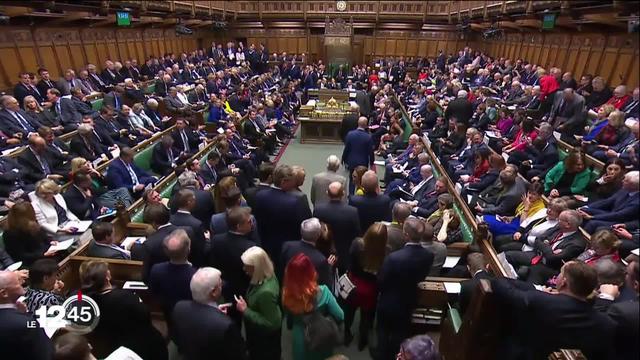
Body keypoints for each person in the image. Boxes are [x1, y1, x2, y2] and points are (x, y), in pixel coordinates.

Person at [491, 261, 615, 360]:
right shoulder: (604, 323)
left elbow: (500, 284)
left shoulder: (541, 301)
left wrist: (537, 290)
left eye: (560, 274)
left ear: (563, 282)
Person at [79, 260, 167, 359]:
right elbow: (145, 316)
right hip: (141, 346)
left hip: (112, 346)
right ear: (107, 276)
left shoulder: (86, 303)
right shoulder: (126, 297)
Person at [376, 218, 434, 360]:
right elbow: (422, 276)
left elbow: (381, 281)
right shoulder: (428, 256)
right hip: (409, 298)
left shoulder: (393, 258)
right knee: (400, 331)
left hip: (388, 300)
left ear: (405, 234)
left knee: (383, 331)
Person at [172, 267, 248, 360]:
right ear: (214, 292)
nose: (222, 285)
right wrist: (219, 317)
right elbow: (238, 355)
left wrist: (216, 314)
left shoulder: (179, 307)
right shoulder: (226, 325)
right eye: (220, 284)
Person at [282, 253, 344, 360]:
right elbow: (340, 315)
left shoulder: (286, 296)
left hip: (300, 337)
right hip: (320, 336)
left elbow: (288, 316)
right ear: (311, 272)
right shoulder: (324, 292)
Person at [344, 222, 388, 350]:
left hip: (354, 285)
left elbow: (351, 264)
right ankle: (362, 341)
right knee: (366, 317)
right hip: (371, 290)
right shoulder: (386, 252)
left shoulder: (357, 244)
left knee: (349, 311)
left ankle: (346, 333)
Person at [254, 164, 312, 260]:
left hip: (265, 244)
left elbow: (259, 220)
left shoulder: (260, 195)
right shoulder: (294, 202)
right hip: (287, 248)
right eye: (292, 181)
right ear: (284, 181)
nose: (294, 184)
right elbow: (302, 225)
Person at [235, 246, 283, 360]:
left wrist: (245, 310)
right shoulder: (267, 274)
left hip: (264, 342)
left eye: (248, 267)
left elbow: (272, 323)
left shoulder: (266, 292)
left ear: (257, 267)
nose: (244, 269)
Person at [0, 270, 53, 360]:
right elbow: (47, 354)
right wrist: (27, 315)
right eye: (17, 281)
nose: (23, 282)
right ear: (4, 293)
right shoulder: (26, 323)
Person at [148, 229, 196, 323]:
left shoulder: (156, 269)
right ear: (189, 249)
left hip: (168, 310)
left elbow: (153, 292)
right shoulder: (196, 275)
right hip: (190, 314)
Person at [595, 260, 639, 360]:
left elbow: (596, 329)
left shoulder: (623, 309)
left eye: (627, 273)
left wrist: (605, 298)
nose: (624, 274)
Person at [280, 218, 333, 287]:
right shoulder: (321, 260)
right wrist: (328, 267)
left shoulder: (287, 246)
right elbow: (325, 286)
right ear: (318, 235)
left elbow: (282, 271)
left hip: (289, 289)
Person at [2, 201, 56, 266]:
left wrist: (50, 241)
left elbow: (44, 236)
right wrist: (43, 254)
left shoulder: (32, 223)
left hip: (44, 252)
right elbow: (20, 256)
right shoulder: (10, 233)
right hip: (31, 261)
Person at [169, 188, 207, 267]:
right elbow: (201, 249)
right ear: (189, 202)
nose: (196, 202)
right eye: (194, 200)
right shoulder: (196, 224)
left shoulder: (169, 219)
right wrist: (207, 239)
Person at [349, 170, 392, 235]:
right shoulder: (385, 200)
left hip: (360, 233)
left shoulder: (354, 200)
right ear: (377, 185)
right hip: (378, 234)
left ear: (362, 184)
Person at [342, 117, 375, 194]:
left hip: (352, 161)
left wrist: (343, 159)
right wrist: (372, 162)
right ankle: (361, 196)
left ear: (358, 123)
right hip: (363, 162)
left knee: (352, 179)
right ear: (366, 125)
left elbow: (347, 149)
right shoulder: (368, 137)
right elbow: (371, 152)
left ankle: (351, 196)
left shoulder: (350, 134)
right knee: (362, 180)